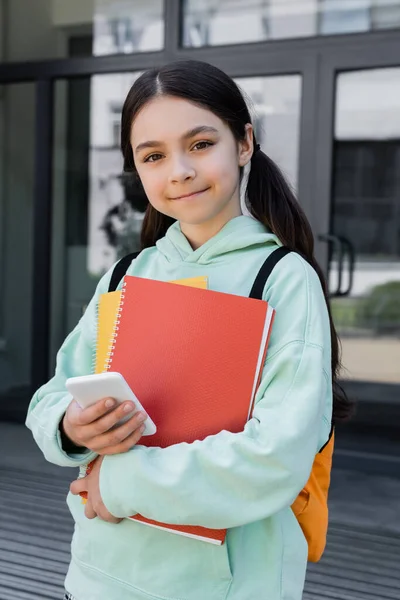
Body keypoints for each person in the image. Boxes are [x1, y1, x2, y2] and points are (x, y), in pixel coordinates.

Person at [26, 59, 351, 600]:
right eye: (153, 156)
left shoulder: (281, 278)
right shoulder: (127, 274)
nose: (178, 170)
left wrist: (120, 481)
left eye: (200, 144)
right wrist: (71, 426)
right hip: (99, 573)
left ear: (244, 143)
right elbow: (52, 396)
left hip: (229, 583)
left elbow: (277, 455)